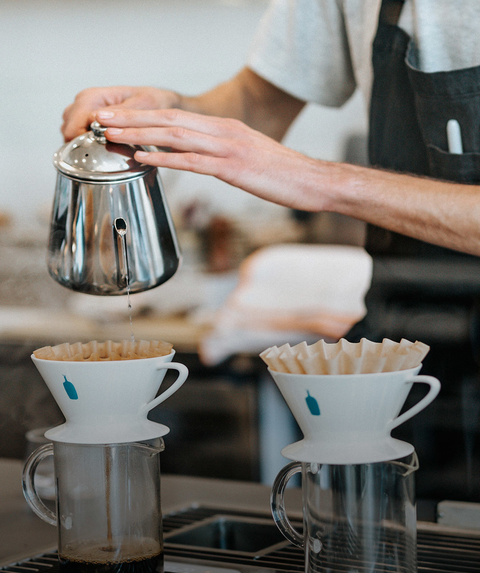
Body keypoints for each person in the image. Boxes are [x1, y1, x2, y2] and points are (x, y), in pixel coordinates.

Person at [62, 0, 480, 500]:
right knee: (384, 536)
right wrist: (171, 110)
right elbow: (259, 101)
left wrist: (322, 181)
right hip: (401, 357)